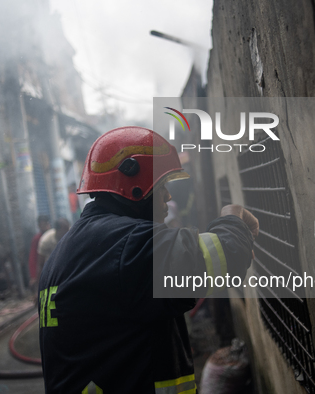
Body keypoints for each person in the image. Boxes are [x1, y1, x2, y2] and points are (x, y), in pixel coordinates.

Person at [38, 126, 258, 393]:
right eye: (162, 185)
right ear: (134, 182)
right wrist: (233, 220)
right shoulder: (126, 245)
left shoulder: (67, 252)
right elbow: (225, 253)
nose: (168, 196)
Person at [36, 218, 70, 285]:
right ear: (57, 230)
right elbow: (40, 264)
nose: (68, 231)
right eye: (65, 230)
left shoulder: (72, 235)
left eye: (68, 229)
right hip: (51, 272)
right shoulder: (46, 240)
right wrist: (39, 285)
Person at [28, 215, 51, 291]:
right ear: (38, 226)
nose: (44, 227)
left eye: (45, 224)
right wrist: (34, 276)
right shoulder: (37, 239)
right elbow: (33, 258)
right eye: (42, 225)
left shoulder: (54, 236)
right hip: (43, 269)